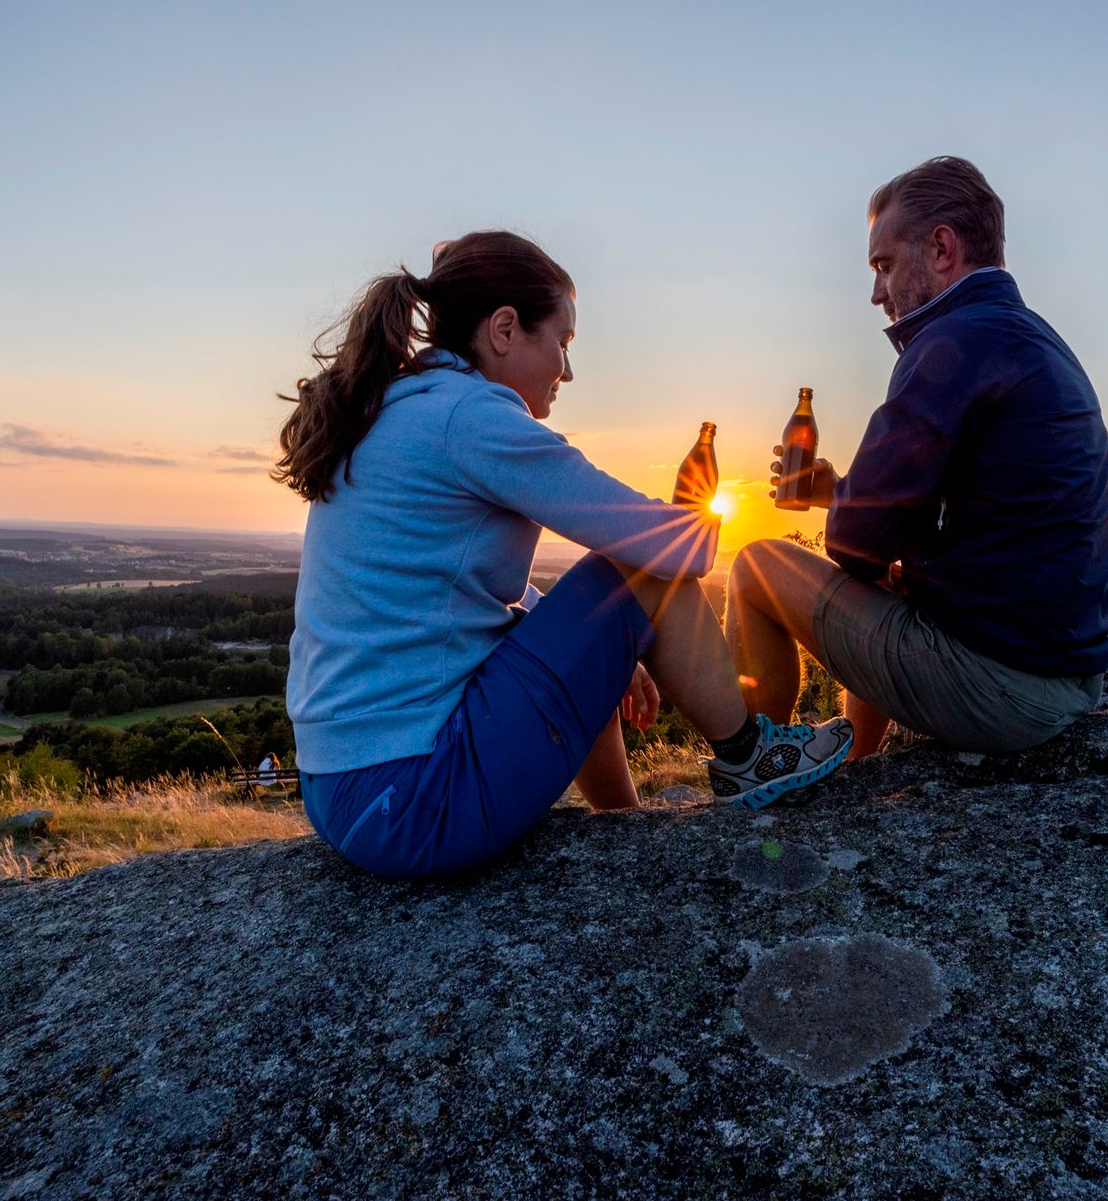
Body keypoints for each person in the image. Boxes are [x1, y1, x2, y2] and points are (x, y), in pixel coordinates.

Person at [277, 232, 851, 881]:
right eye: (563, 342)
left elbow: (453, 595)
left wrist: (614, 649)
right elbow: (662, 549)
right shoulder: (472, 417)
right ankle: (747, 755)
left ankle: (625, 827)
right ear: (504, 330)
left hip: (344, 792)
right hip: (414, 798)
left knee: (580, 612)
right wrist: (692, 520)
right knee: (634, 576)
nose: (567, 369)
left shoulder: (403, 408)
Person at [726, 157, 1108, 757]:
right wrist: (841, 491)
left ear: (940, 248)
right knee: (895, 573)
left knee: (756, 567)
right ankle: (860, 763)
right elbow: (954, 501)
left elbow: (854, 544)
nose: (876, 292)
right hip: (1066, 674)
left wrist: (849, 510)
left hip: (1006, 691)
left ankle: (753, 766)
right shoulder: (1025, 336)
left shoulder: (951, 342)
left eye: (883, 265)